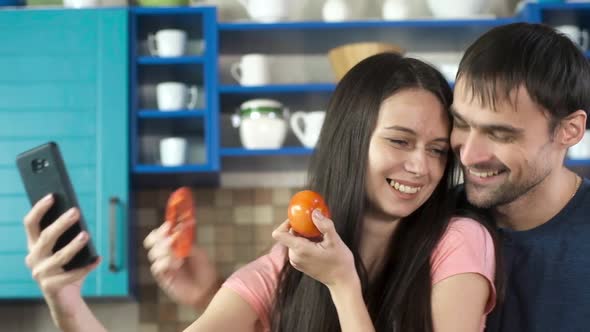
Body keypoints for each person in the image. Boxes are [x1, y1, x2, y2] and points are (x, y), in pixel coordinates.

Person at [22, 53, 501, 331]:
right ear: (350, 141)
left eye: (438, 150)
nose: (422, 166)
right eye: (400, 141)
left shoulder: (457, 242)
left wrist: (343, 286)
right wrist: (67, 301)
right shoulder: (289, 262)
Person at [450, 22, 590, 331]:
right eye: (460, 123)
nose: (469, 155)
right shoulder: (429, 219)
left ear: (570, 131)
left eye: (499, 133)